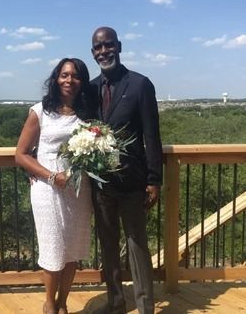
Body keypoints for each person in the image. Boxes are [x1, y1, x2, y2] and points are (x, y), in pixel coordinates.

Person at [90, 27, 163, 314]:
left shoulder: (140, 84)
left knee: (137, 247)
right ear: (93, 52)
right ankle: (116, 302)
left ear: (119, 47)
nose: (104, 51)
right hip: (101, 184)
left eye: (108, 45)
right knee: (107, 246)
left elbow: (151, 135)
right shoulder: (90, 88)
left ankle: (146, 307)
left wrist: (154, 179)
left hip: (134, 181)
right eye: (98, 47)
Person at [15, 58, 95, 314]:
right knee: (52, 248)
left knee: (72, 249)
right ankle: (49, 304)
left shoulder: (89, 114)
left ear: (82, 81)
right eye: (64, 75)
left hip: (78, 190)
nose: (69, 80)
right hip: (47, 189)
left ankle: (63, 303)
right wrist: (50, 175)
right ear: (55, 79)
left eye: (75, 76)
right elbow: (21, 154)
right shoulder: (39, 111)